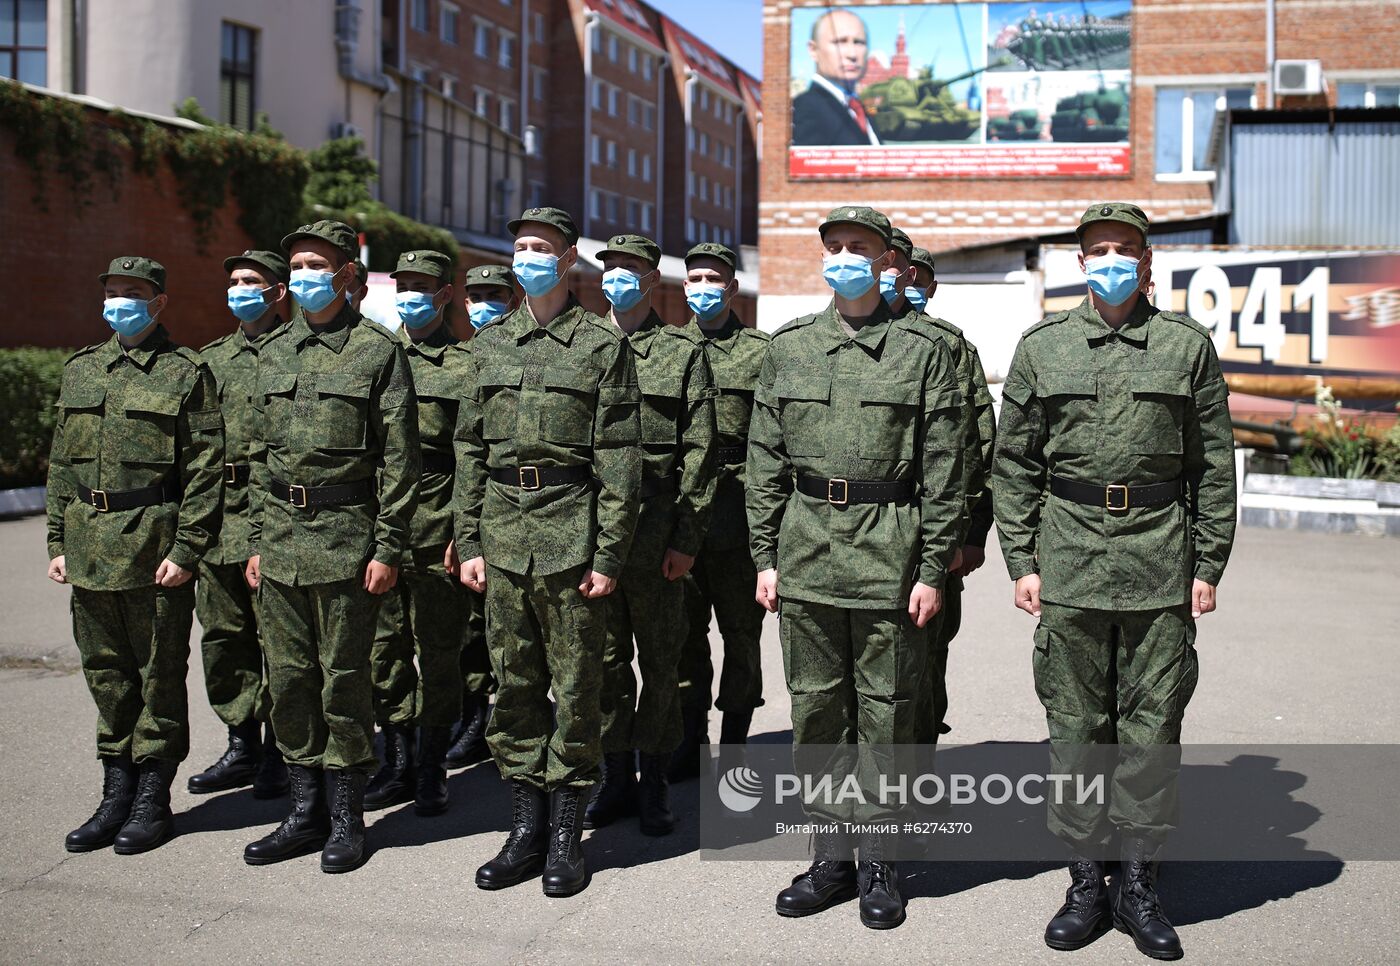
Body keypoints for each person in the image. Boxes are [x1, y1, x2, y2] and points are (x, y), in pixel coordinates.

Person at [992, 203, 1236, 960]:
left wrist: (1208, 563)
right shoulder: (1043, 347)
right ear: (1079, 262)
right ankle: (1085, 883)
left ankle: (1138, 884)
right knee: (1075, 730)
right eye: (1098, 250)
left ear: (1148, 261)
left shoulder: (1185, 347)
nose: (1111, 261)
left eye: (1124, 249)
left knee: (1152, 730)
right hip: (1067, 560)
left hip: (1160, 561)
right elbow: (1016, 464)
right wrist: (1022, 561)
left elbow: (1213, 466)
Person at [747, 207, 966, 930]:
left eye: (860, 248)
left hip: (890, 553)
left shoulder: (923, 349)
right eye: (835, 247)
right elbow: (765, 461)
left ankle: (880, 861)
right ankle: (828, 855)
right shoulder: (790, 348)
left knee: (887, 714)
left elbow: (945, 469)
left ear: (885, 261)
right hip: (807, 550)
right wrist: (764, 556)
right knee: (815, 711)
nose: (845, 257)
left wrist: (933, 567)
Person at [453, 207, 641, 897]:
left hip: (572, 536)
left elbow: (620, 462)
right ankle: (525, 827)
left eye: (542, 247)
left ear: (567, 261)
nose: (529, 255)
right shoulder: (490, 343)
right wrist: (467, 537)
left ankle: (567, 834)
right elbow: (469, 448)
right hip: (503, 536)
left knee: (579, 689)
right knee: (515, 686)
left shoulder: (600, 346)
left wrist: (610, 555)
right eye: (521, 245)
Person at [242, 220, 421, 874]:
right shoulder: (276, 349)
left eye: (318, 264)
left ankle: (348, 818)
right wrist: (258, 540)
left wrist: (389, 546)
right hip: (282, 543)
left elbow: (402, 462)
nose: (305, 277)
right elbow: (261, 456)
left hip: (348, 540)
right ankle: (303, 811)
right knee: (289, 681)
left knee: (344, 681)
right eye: (296, 266)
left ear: (348, 273)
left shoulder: (377, 351)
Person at [48, 256, 224, 854]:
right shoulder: (81, 370)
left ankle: (153, 797)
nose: (119, 302)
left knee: (157, 678)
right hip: (88, 545)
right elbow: (59, 466)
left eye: (133, 293)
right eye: (113, 292)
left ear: (158, 303)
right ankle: (114, 792)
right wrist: (56, 541)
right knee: (106, 675)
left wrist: (188, 548)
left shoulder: (184, 373)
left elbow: (205, 472)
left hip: (154, 549)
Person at [584, 234, 718, 836]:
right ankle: (614, 778)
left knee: (662, 666)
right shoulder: (580, 345)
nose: (618, 277)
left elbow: (701, 453)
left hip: (659, 537)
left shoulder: (681, 353)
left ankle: (656, 778)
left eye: (630, 268)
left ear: (652, 278)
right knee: (606, 665)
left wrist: (687, 539)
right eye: (609, 268)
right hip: (587, 539)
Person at [362, 250, 472, 817]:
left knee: (439, 652)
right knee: (385, 652)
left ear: (445, 293)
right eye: (402, 284)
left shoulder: (465, 363)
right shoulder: (375, 355)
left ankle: (431, 767)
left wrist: (463, 531)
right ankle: (397, 761)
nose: (410, 293)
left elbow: (471, 458)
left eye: (421, 285)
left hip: (436, 523)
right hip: (381, 526)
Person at [187, 250, 294, 800]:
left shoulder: (297, 352)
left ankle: (281, 747)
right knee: (224, 635)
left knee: (277, 638)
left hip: (273, 512)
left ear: (278, 292)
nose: (240, 289)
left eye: (252, 281)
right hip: (219, 513)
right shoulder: (211, 359)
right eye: (234, 281)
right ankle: (240, 742)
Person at [882, 235, 996, 744]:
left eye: (904, 270)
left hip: (932, 534)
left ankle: (918, 772)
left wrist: (972, 533)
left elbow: (980, 447)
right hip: (853, 537)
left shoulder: (948, 346)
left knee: (925, 658)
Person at [670, 242, 770, 781]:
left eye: (713, 279)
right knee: (684, 635)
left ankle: (735, 741)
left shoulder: (760, 350)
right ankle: (690, 738)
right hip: (683, 513)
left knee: (741, 634)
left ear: (731, 288)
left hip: (739, 511)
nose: (702, 287)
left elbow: (774, 438)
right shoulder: (662, 348)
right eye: (694, 279)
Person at [442, 264, 519, 770]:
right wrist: (458, 528)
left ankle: (505, 723)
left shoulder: (518, 357)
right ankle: (474, 718)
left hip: (506, 510)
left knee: (506, 631)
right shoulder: (449, 361)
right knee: (466, 632)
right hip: (447, 508)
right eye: (477, 296)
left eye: (495, 295)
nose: (484, 304)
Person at [791, 9, 881, 146]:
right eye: (840, 42)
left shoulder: (858, 108)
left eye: (859, 42)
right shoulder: (805, 108)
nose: (852, 54)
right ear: (813, 50)